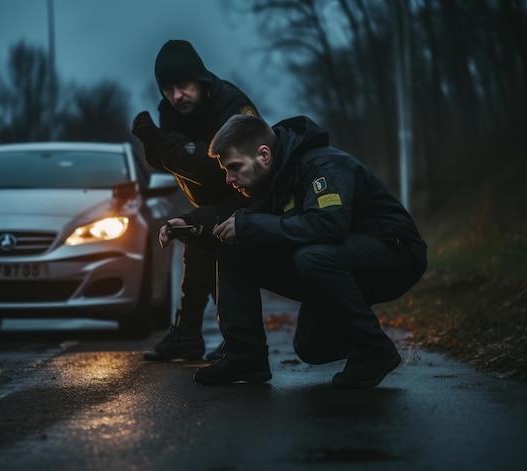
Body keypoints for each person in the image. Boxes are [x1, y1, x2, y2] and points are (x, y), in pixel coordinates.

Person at [186, 114, 427, 388]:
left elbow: (328, 225)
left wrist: (248, 224)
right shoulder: (277, 178)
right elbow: (247, 220)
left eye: (234, 167)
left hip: (395, 252)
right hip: (338, 257)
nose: (230, 178)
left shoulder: (322, 165)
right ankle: (245, 357)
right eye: (226, 171)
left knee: (310, 257)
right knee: (311, 347)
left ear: (263, 154)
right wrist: (193, 224)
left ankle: (374, 348)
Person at [131, 39, 260, 362]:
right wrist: (155, 145)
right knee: (198, 247)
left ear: (200, 79)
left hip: (247, 194)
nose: (176, 96)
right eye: (168, 88)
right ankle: (192, 336)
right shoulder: (170, 111)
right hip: (210, 201)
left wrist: (168, 147)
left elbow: (214, 166)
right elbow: (166, 162)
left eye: (183, 85)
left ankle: (238, 343)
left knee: (221, 257)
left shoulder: (232, 105)